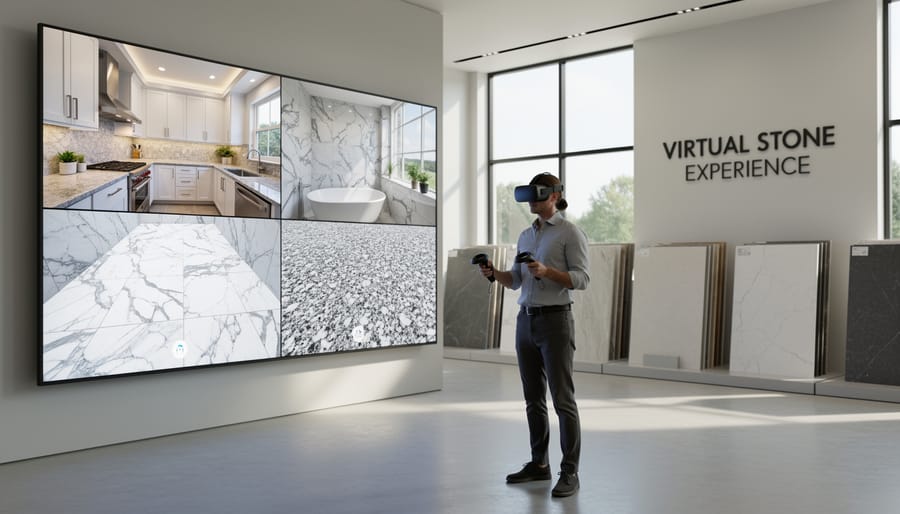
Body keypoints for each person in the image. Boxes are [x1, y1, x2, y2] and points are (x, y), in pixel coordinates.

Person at [478, 172, 590, 498]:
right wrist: (492, 273)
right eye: (530, 194)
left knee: (563, 401)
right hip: (525, 323)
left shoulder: (571, 233)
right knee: (533, 400)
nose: (533, 200)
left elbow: (582, 279)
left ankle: (570, 472)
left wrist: (547, 272)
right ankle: (539, 464)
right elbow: (514, 280)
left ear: (555, 196)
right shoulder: (526, 236)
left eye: (539, 194)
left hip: (555, 322)